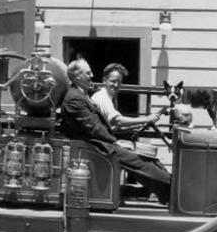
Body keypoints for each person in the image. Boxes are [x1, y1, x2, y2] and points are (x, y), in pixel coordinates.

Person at [60, 58, 172, 205]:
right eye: (87, 73)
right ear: (77, 76)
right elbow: (94, 128)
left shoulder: (80, 95)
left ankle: (166, 192)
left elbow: (99, 126)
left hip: (99, 143)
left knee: (144, 161)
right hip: (97, 146)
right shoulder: (75, 98)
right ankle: (173, 189)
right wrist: (114, 141)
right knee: (138, 161)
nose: (92, 75)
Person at [90, 62, 157, 138]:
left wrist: (140, 124)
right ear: (104, 80)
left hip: (105, 139)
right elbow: (118, 120)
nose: (116, 85)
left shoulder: (109, 97)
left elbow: (118, 127)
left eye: (119, 82)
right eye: (113, 81)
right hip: (100, 142)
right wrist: (147, 119)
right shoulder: (102, 97)